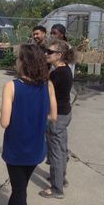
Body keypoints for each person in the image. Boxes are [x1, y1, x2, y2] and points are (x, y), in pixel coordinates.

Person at [0, 44, 57, 205]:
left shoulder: (11, 86)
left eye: (18, 58)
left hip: (16, 150)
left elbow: (4, 122)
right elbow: (53, 116)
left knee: (19, 192)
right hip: (37, 147)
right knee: (20, 188)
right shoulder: (48, 85)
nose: (16, 61)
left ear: (24, 62)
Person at [39, 39, 75, 199]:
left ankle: (57, 189)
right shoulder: (65, 69)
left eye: (50, 52)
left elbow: (46, 94)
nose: (46, 53)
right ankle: (62, 178)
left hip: (57, 117)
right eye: (46, 51)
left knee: (55, 152)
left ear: (60, 55)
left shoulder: (57, 74)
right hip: (65, 113)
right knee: (61, 148)